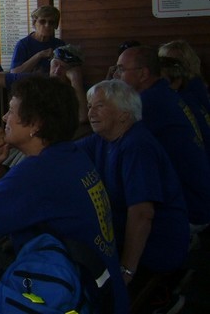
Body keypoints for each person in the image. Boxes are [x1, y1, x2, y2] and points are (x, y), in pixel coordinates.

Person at [0, 76, 129, 314]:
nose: (4, 118)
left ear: (35, 124)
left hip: (78, 300)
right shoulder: (69, 155)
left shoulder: (37, 172)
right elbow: (12, 201)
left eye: (11, 111)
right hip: (103, 290)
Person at [76, 80, 189, 310]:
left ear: (124, 114)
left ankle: (161, 298)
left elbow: (142, 214)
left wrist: (126, 271)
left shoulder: (137, 146)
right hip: (123, 235)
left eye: (99, 106)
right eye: (89, 106)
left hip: (155, 246)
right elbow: (65, 153)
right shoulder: (104, 139)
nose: (91, 112)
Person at [114, 45, 210, 228]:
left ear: (143, 74)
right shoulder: (164, 92)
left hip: (191, 210)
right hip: (199, 197)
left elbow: (114, 135)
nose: (116, 76)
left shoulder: (149, 103)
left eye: (121, 69)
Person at [10, 5, 65, 74]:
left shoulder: (59, 44)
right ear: (34, 23)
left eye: (51, 22)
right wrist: (39, 55)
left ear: (56, 25)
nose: (47, 25)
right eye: (42, 21)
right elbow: (14, 72)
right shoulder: (23, 44)